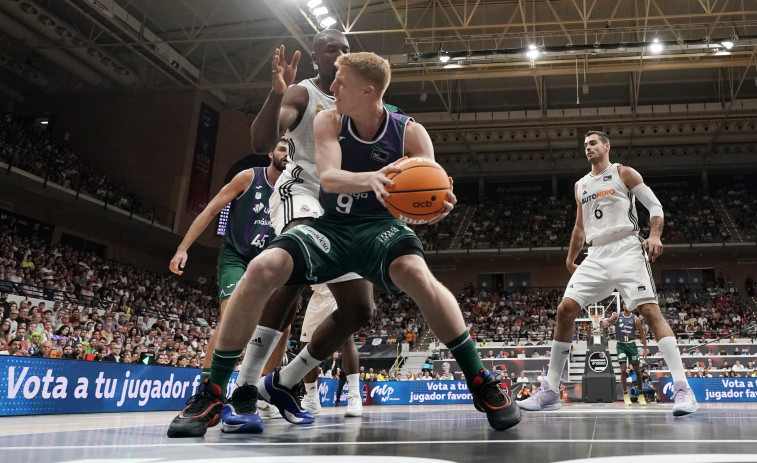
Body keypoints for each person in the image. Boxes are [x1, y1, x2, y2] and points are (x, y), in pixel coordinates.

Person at [176, 51, 521, 438]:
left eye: (341, 82)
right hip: (332, 226)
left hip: (379, 228)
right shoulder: (329, 120)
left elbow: (432, 187)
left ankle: (480, 381)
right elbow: (329, 177)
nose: (333, 87)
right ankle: (215, 391)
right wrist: (374, 179)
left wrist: (438, 205)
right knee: (263, 268)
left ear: (367, 89)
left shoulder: (411, 132)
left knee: (416, 275)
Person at [214, 29, 362, 427]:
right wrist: (276, 92)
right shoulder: (302, 92)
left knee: (359, 309)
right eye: (333, 49)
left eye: (347, 50)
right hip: (302, 190)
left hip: (340, 204)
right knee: (296, 267)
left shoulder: (359, 101)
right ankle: (244, 387)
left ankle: (283, 382)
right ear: (316, 56)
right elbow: (263, 138)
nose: (342, 54)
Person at [518, 130, 698, 416]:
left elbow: (654, 206)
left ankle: (683, 389)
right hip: (597, 253)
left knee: (651, 312)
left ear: (606, 146)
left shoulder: (624, 173)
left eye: (593, 143)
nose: (588, 147)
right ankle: (550, 390)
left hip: (627, 248)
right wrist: (570, 257)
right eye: (585, 144)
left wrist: (655, 235)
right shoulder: (581, 185)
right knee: (566, 308)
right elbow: (580, 227)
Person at [166, 139, 288, 437]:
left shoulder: (297, 188)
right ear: (271, 153)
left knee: (282, 323)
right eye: (283, 148)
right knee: (231, 313)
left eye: (292, 149)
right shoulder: (248, 177)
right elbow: (209, 211)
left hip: (271, 260)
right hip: (237, 256)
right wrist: (183, 248)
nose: (288, 154)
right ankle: (209, 389)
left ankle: (264, 390)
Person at [603, 303, 648, 405]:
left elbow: (642, 334)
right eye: (625, 304)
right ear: (623, 306)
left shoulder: (636, 319)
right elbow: (607, 321)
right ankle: (625, 394)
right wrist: (604, 323)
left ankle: (641, 395)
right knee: (623, 369)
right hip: (621, 345)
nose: (626, 305)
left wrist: (645, 349)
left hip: (631, 345)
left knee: (637, 370)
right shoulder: (617, 315)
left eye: (629, 304)